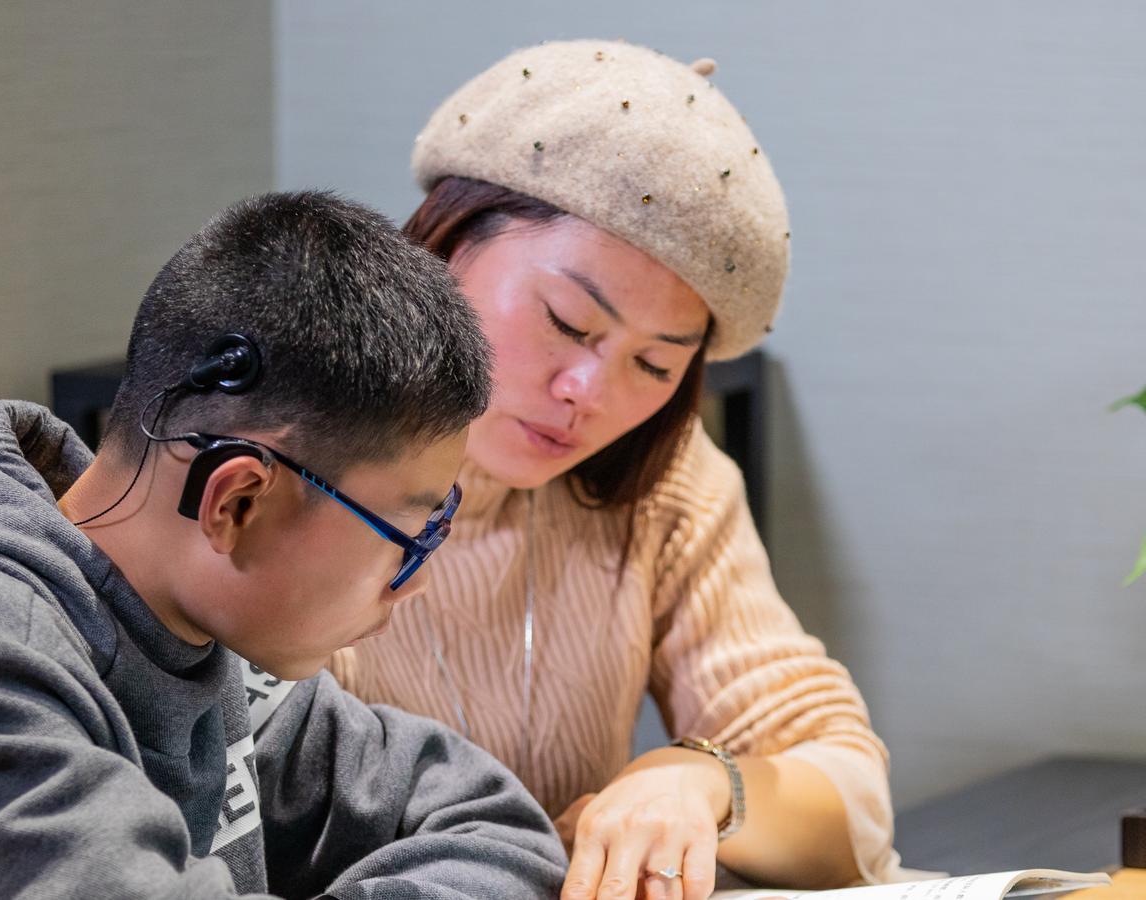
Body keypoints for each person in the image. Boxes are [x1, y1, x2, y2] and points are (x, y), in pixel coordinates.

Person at [0, 191, 568, 899]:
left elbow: (496, 825)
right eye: (410, 537)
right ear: (237, 503)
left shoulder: (190, 632)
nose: (409, 586)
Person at [326, 40, 903, 900]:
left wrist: (698, 781)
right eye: (567, 321)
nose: (587, 395)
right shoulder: (288, 457)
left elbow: (850, 798)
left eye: (655, 364)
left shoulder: (664, 481)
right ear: (442, 249)